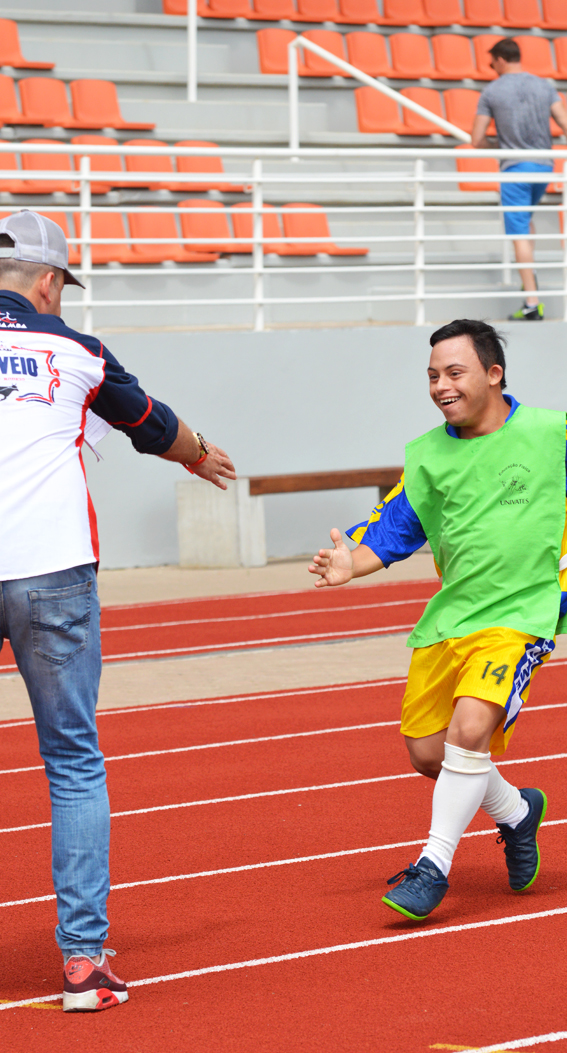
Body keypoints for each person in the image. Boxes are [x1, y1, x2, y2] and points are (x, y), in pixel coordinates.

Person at [309, 318, 567, 922]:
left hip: (523, 613)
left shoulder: (547, 432)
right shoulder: (427, 454)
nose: (442, 385)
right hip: (452, 617)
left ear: (493, 375)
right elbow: (392, 531)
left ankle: (432, 867)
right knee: (427, 753)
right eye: (433, 375)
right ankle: (518, 812)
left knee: (470, 731)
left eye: (455, 372)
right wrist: (349, 564)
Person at [0, 211, 236, 1010]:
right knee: (71, 760)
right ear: (48, 282)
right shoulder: (77, 351)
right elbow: (151, 424)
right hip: (53, 570)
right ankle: (82, 965)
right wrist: (201, 451)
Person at [470, 37, 567, 322]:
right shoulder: (544, 85)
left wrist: (498, 147)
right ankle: (528, 279)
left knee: (518, 230)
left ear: (499, 59)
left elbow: (475, 139)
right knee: (527, 221)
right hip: (543, 167)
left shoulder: (492, 91)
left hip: (515, 168)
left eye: (491, 62)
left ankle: (532, 301)